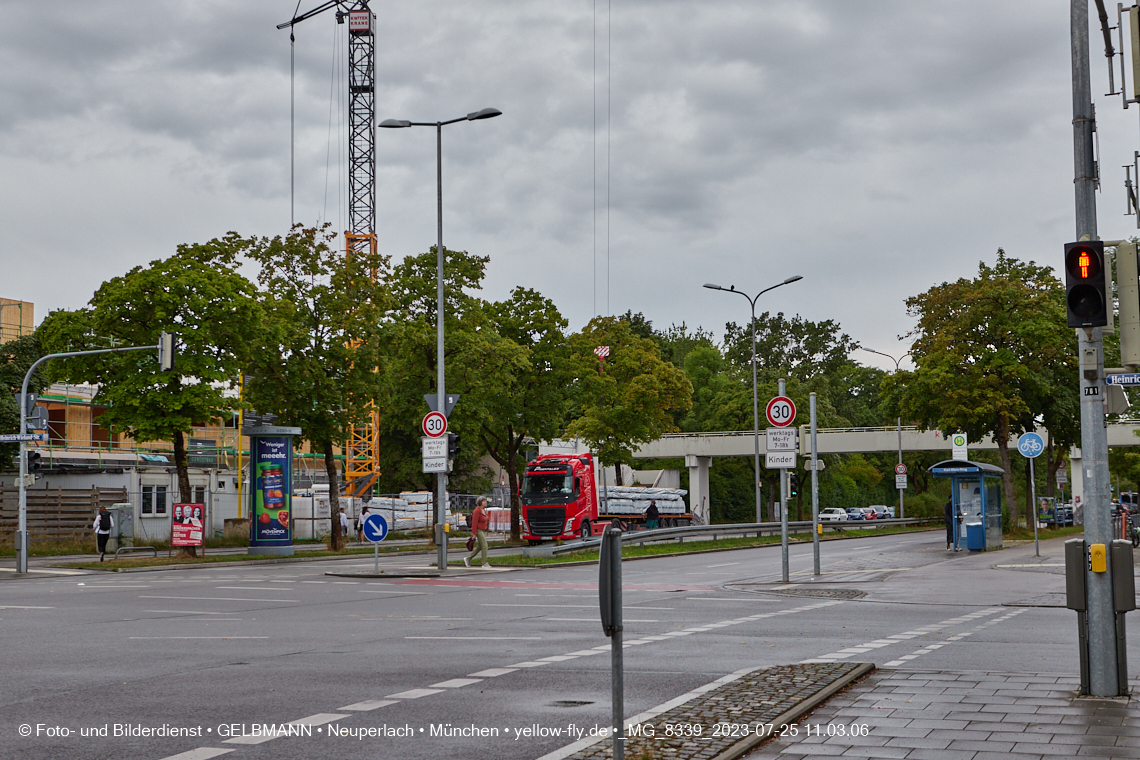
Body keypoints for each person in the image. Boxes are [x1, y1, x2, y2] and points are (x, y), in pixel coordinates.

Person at [464, 497, 491, 569]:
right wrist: (474, 533)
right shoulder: (477, 510)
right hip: (478, 530)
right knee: (485, 545)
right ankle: (484, 563)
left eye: (485, 501)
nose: (485, 502)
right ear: (480, 502)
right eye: (484, 501)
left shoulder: (483, 510)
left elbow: (485, 519)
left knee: (480, 547)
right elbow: (474, 522)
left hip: (482, 530)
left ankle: (468, 558)